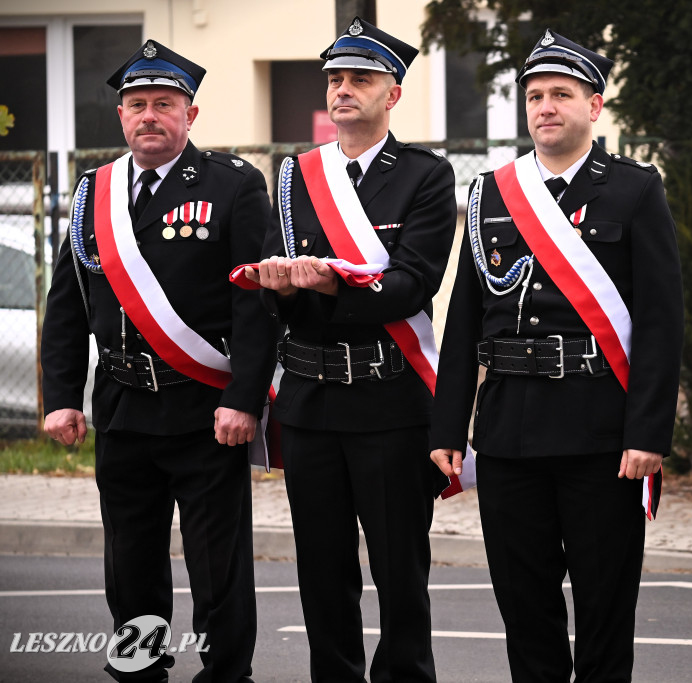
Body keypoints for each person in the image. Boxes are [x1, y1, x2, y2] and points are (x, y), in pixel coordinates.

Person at [429, 29, 684, 682]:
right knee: (525, 608)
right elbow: (463, 321)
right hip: (509, 433)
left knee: (604, 608)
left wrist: (648, 432)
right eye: (534, 95)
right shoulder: (490, 192)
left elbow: (660, 322)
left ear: (594, 106)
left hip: (602, 434)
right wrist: (448, 427)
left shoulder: (633, 190)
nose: (544, 106)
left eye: (561, 94)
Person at [41, 40, 278, 682]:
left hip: (205, 410)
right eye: (137, 104)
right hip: (122, 409)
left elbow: (254, 307)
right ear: (121, 116)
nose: (150, 116)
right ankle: (142, 672)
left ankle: (227, 675)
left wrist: (244, 399)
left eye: (164, 105)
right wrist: (60, 395)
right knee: (132, 566)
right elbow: (68, 301)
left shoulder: (233, 186)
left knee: (216, 567)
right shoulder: (95, 191)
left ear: (190, 115)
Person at [243, 17, 456, 682]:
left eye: (360, 79)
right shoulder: (294, 175)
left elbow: (414, 282)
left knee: (399, 573)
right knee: (322, 572)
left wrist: (335, 283)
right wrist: (278, 289)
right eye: (335, 78)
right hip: (310, 402)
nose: (343, 90)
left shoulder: (426, 175)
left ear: (391, 94)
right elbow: (286, 299)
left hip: (390, 401)